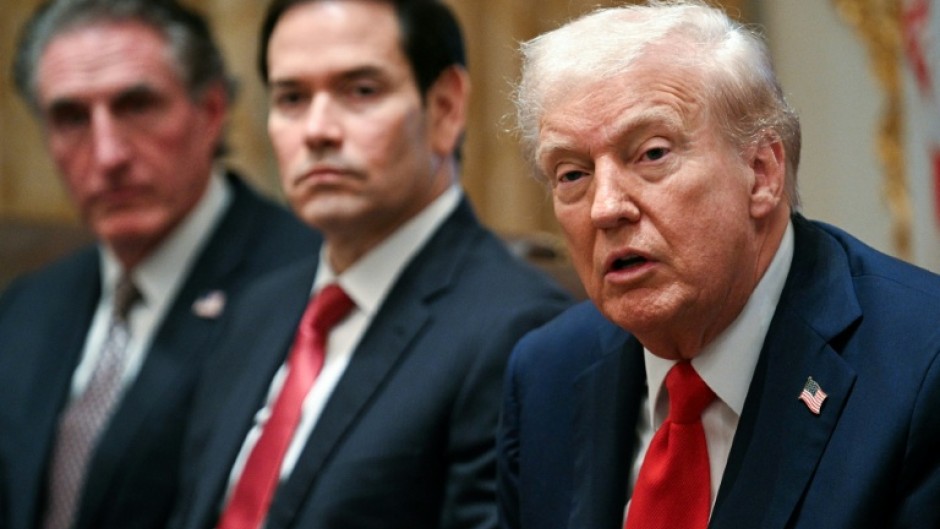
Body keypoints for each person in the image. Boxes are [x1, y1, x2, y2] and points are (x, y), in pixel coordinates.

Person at [497, 2, 940, 529]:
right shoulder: (547, 373)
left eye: (652, 154)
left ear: (761, 172)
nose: (605, 206)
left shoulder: (922, 367)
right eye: (571, 174)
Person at [167, 1, 573, 529]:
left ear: (446, 108)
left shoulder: (519, 333)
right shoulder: (255, 309)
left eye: (360, 91)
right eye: (291, 98)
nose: (317, 130)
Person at [0, 1, 320, 528]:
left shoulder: (305, 290)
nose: (107, 155)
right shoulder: (29, 306)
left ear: (211, 111)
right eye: (71, 117)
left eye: (137, 106)